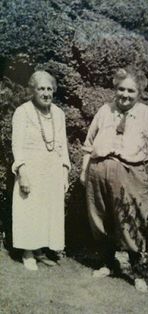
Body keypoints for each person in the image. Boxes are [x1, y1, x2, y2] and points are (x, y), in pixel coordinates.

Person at [80, 67, 148, 291]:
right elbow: (89, 145)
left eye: (131, 91)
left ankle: (136, 272)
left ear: (139, 93)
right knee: (99, 219)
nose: (125, 94)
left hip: (131, 173)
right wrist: (83, 172)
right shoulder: (104, 110)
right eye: (121, 89)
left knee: (132, 220)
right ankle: (107, 263)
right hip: (98, 170)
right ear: (115, 89)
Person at [11, 70, 71, 271]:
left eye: (49, 89)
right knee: (29, 210)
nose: (46, 93)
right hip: (31, 169)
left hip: (52, 170)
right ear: (32, 91)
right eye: (41, 89)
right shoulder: (23, 112)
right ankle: (28, 252)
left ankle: (40, 251)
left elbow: (62, 145)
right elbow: (17, 145)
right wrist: (22, 172)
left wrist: (64, 173)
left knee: (47, 212)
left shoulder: (59, 114)